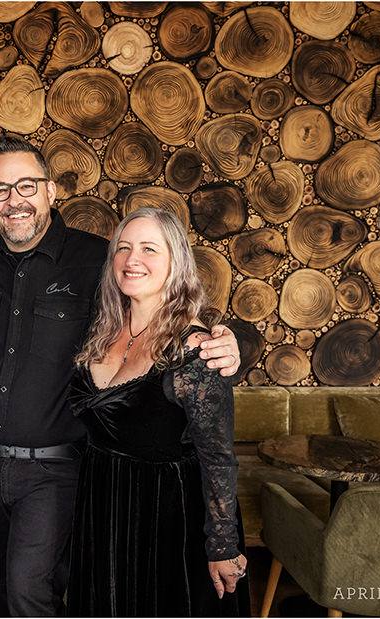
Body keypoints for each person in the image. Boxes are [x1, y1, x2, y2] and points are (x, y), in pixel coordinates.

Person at [0, 137, 243, 616]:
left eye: (26, 185)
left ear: (51, 192)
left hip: (56, 467)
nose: (14, 199)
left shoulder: (97, 259)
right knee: (6, 587)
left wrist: (231, 341)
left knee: (31, 591)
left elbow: (165, 294)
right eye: (0, 189)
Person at [67, 207, 251, 617]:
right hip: (104, 505)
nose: (132, 260)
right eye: (124, 248)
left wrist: (221, 545)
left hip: (167, 518)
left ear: (175, 263)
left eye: (149, 249)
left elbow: (217, 456)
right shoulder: (102, 329)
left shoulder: (196, 349)